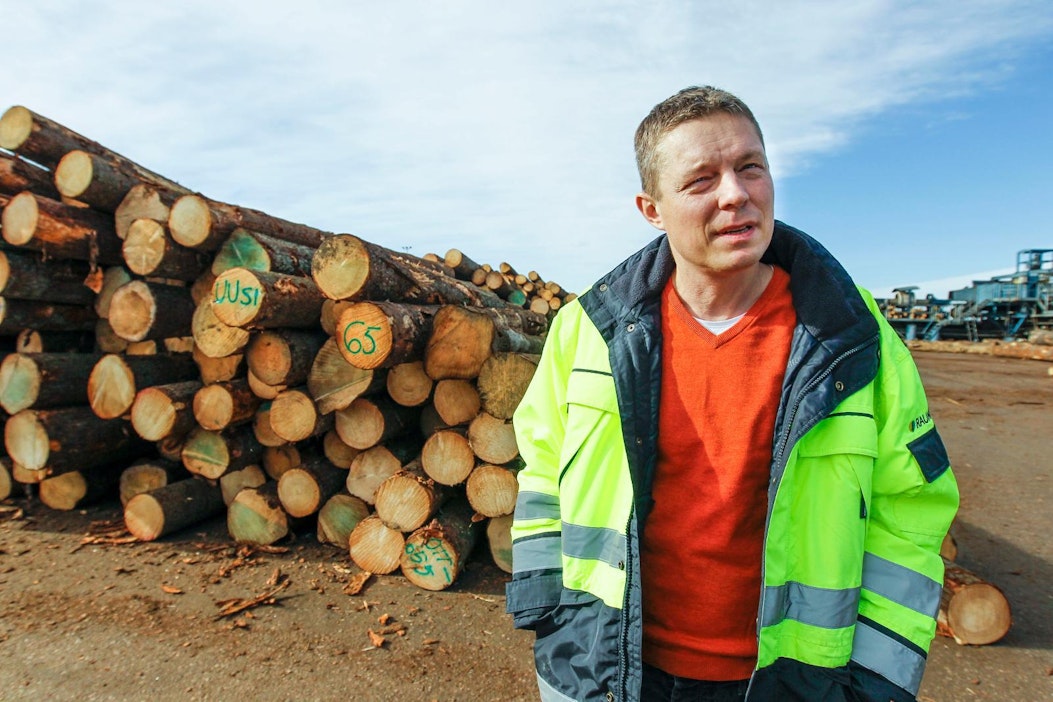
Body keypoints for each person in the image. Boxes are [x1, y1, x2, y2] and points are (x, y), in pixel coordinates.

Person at [505, 86, 960, 702]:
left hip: (791, 679)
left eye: (751, 167)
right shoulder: (589, 332)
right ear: (652, 209)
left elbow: (910, 509)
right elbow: (541, 473)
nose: (736, 193)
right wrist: (547, 614)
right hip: (608, 668)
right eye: (700, 180)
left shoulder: (852, 341)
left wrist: (878, 678)